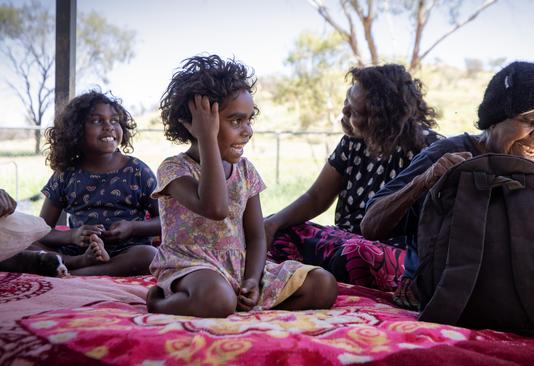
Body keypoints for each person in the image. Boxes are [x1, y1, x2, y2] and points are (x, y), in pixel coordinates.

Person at [361, 61, 534, 362]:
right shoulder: (449, 155)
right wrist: (425, 180)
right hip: (449, 295)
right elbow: (372, 225)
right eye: (530, 120)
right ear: (493, 120)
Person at [146, 55, 337, 318]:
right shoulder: (174, 169)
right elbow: (215, 207)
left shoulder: (246, 171)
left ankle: (239, 302)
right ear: (196, 126)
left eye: (249, 120)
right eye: (236, 121)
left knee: (323, 284)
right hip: (191, 267)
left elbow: (257, 236)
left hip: (240, 266)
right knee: (217, 297)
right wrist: (208, 139)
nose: (247, 130)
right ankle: (160, 303)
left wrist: (252, 279)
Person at [266, 64, 443, 291]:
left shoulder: (429, 149)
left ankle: (323, 275)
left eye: (355, 112)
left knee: (355, 254)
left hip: (393, 255)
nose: (345, 111)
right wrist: (272, 223)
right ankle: (323, 274)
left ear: (380, 118)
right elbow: (316, 196)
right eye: (348, 101)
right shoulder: (353, 142)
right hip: (344, 240)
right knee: (279, 231)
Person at [34, 91, 160, 276]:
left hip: (126, 251)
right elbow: (41, 229)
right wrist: (72, 235)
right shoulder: (66, 173)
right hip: (79, 250)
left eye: (114, 120)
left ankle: (80, 272)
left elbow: (165, 221)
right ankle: (80, 262)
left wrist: (132, 227)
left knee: (150, 255)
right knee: (26, 244)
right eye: (97, 121)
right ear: (76, 130)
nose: (109, 126)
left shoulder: (138, 171)